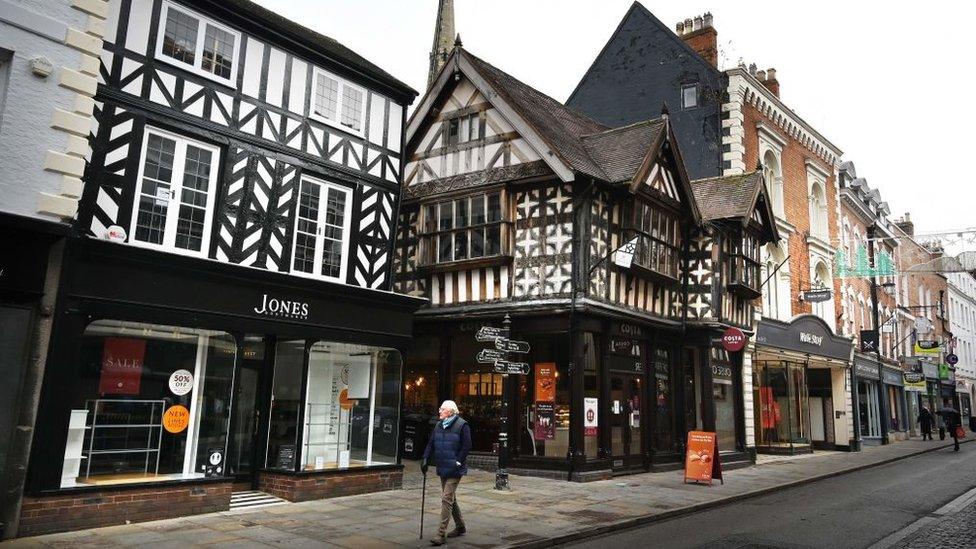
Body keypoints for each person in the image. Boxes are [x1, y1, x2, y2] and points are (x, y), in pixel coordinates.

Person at [421, 400, 472, 546]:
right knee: (450, 499)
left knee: (446, 499)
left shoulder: (462, 425)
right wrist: (424, 458)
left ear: (450, 411)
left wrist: (458, 461)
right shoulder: (438, 425)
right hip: (443, 466)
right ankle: (460, 526)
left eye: (442, 409)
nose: (439, 411)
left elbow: (467, 445)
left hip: (455, 468)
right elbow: (431, 443)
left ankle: (440, 534)